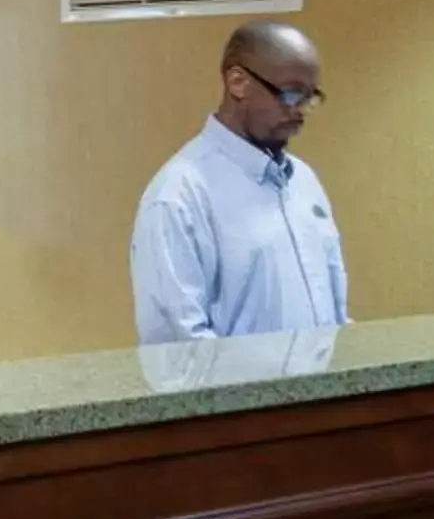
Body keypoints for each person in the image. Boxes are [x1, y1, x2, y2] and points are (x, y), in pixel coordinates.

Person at [130, 20, 349, 344]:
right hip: (248, 395)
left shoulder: (303, 182)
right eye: (290, 94)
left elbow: (334, 313)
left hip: (323, 393)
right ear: (237, 82)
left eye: (310, 97)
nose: (301, 111)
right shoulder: (179, 196)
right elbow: (180, 351)